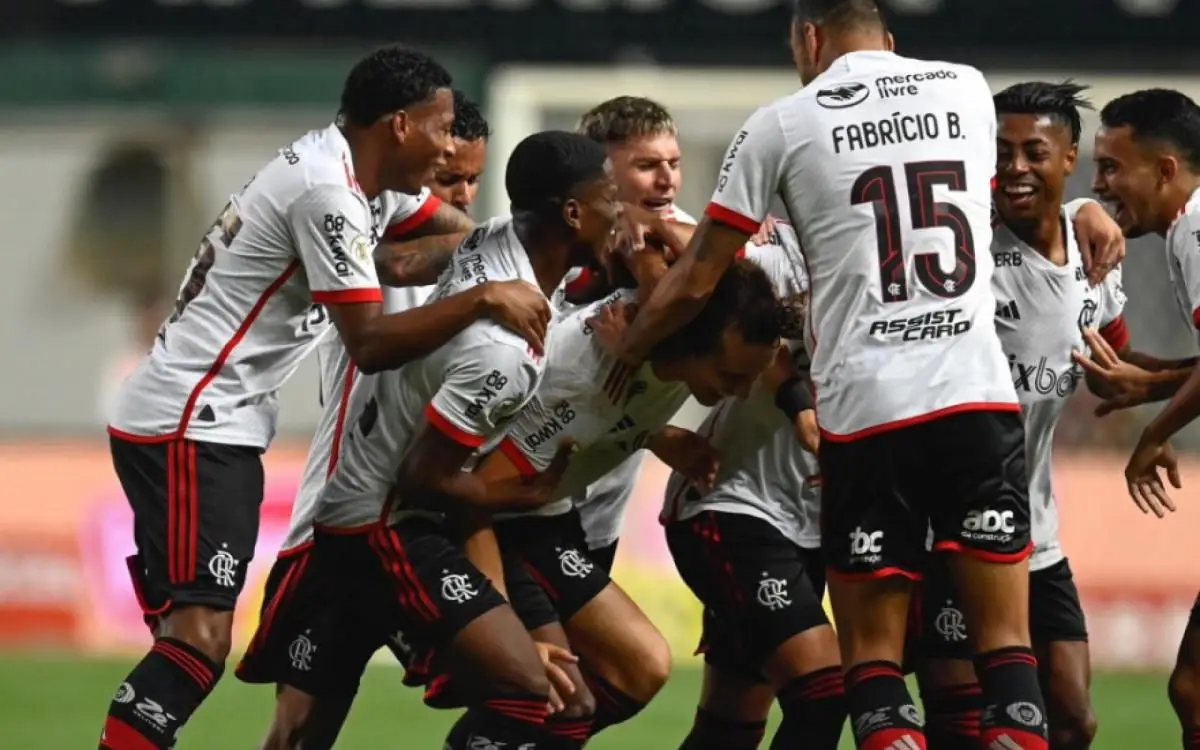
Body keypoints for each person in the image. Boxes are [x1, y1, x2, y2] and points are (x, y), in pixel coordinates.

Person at [606, 1, 1056, 746]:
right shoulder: (968, 88)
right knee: (1005, 656)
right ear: (890, 40)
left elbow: (694, 280)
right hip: (977, 399)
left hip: (870, 411)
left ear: (807, 38)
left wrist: (626, 352)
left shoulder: (783, 125)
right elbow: (1001, 196)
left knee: (868, 672)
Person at [99, 46, 551, 750]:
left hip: (214, 420)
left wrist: (543, 257)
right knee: (199, 641)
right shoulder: (327, 194)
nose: (444, 148)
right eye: (438, 130)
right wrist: (487, 296)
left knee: (195, 640)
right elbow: (369, 340)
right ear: (400, 125)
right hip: (194, 418)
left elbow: (458, 236)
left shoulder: (356, 178)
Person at [308, 130, 620, 750]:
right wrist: (519, 498)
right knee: (530, 693)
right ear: (573, 213)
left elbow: (403, 262)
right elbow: (424, 478)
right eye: (612, 196)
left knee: (565, 701)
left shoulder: (503, 243)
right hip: (381, 525)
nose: (623, 212)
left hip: (395, 509)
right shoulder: (505, 355)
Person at [234, 91, 501, 750]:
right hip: (336, 528)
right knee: (299, 732)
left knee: (515, 691)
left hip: (423, 529)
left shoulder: (484, 270)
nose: (463, 195)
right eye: (447, 179)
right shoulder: (364, 258)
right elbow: (391, 281)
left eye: (472, 179)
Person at [913, 81, 1129, 750]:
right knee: (960, 722)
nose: (1014, 168)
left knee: (1071, 717)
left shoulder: (1097, 256)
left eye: (1034, 152)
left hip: (1036, 527)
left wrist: (1159, 403)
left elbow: (1113, 363)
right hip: (943, 527)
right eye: (1000, 151)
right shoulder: (963, 254)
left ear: (1071, 161)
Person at [660, 232, 847, 750]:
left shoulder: (928, 282)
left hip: (808, 525)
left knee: (728, 727)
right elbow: (681, 242)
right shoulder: (783, 253)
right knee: (823, 693)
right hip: (734, 505)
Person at [1080, 87, 1200, 750]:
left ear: (1164, 170)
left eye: (1111, 168)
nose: (1099, 186)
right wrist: (1153, 382)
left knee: (1193, 689)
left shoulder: (1198, 231)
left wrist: (1154, 433)